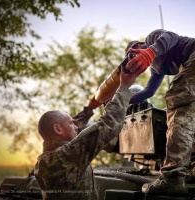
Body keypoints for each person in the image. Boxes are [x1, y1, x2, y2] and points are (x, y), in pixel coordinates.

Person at [125, 29, 195, 194]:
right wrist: (123, 98)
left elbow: (171, 37)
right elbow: (149, 92)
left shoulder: (152, 39)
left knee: (179, 112)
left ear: (138, 46)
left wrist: (149, 51)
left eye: (135, 54)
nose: (135, 60)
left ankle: (172, 178)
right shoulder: (156, 69)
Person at [34, 65, 143, 200]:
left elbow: (75, 125)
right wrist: (124, 87)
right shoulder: (66, 156)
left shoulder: (49, 159)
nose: (76, 126)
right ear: (58, 129)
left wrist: (91, 107)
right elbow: (108, 126)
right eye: (71, 123)